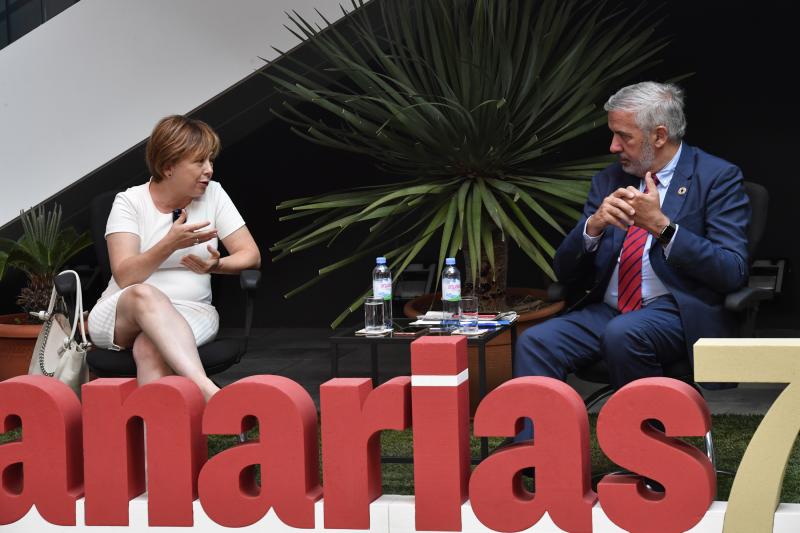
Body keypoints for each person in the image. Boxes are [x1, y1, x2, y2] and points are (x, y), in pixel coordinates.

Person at [514, 81, 750, 440]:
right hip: (609, 310)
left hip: (675, 311)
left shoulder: (716, 177)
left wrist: (663, 228)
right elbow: (564, 270)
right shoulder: (609, 180)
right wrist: (592, 228)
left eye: (623, 137)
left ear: (658, 135)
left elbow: (732, 271)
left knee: (624, 333)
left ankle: (649, 453)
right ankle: (534, 459)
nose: (613, 147)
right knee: (537, 340)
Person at [88, 115, 260, 401]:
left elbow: (250, 255)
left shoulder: (214, 195)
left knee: (151, 348)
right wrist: (168, 244)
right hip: (122, 310)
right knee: (144, 294)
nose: (209, 170)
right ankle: (206, 388)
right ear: (168, 167)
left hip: (191, 311)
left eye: (210, 161)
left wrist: (217, 265)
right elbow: (126, 276)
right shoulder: (129, 202)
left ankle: (155, 444)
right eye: (199, 162)